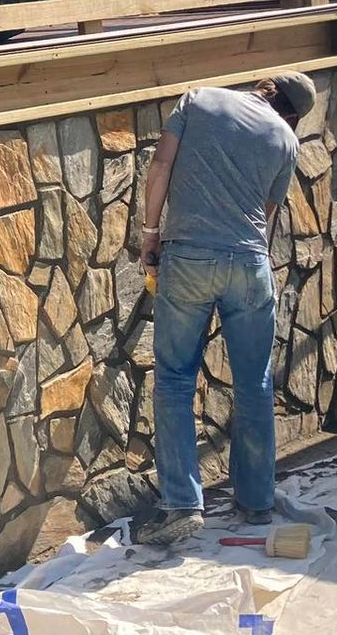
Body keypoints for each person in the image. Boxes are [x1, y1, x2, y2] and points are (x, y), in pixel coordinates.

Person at [130, 71, 316, 546]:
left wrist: (151, 235)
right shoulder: (286, 141)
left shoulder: (197, 100)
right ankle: (255, 499)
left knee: (174, 377)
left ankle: (182, 504)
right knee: (253, 382)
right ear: (291, 114)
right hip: (249, 264)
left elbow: (160, 167)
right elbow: (268, 214)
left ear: (264, 85)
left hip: (188, 256)